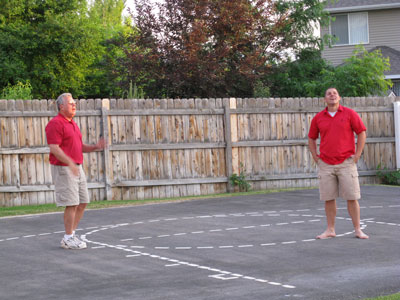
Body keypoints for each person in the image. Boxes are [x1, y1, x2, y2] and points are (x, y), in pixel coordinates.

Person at [45, 93, 106, 249]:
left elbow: (79, 147)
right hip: (64, 168)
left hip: (76, 167)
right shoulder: (55, 124)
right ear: (61, 106)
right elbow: (54, 148)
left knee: (82, 201)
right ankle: (68, 237)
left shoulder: (72, 123)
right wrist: (70, 163)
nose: (74, 106)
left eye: (74, 103)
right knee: (71, 203)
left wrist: (95, 147)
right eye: (71, 103)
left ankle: (71, 235)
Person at [308, 87, 369, 239]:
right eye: (329, 94)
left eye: (334, 93)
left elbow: (361, 132)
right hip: (326, 164)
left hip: (346, 163)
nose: (332, 95)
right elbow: (311, 138)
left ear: (339, 97)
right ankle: (330, 230)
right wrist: (316, 157)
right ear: (324, 99)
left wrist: (357, 155)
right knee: (328, 198)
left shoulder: (350, 114)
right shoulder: (318, 118)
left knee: (352, 197)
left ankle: (357, 230)